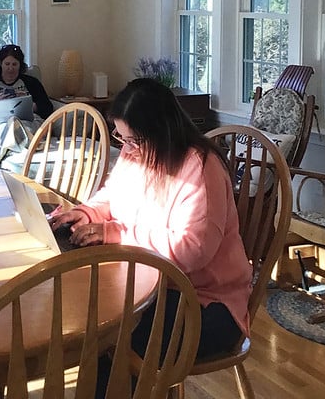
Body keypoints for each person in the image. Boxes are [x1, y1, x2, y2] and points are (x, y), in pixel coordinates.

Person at [49, 77, 252, 374]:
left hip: (206, 304)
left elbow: (192, 251)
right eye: (122, 138)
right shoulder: (138, 153)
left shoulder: (200, 168)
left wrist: (114, 232)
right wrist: (88, 213)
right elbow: (112, 195)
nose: (127, 149)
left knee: (108, 339)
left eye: (133, 140)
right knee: (93, 322)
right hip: (155, 286)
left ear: (162, 132)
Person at [0, 44, 53, 132]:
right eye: (7, 64)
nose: (10, 68)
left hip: (27, 124)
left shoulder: (32, 83)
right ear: (0, 63)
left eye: (14, 64)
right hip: (0, 124)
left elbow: (48, 109)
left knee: (24, 129)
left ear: (20, 65)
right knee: (4, 130)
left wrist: (30, 105)